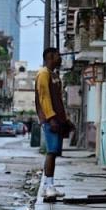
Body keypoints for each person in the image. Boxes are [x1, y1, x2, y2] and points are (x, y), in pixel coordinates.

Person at [35, 47, 74, 198]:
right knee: (51, 152)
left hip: (57, 120)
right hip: (51, 120)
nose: (60, 58)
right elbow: (44, 98)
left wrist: (65, 120)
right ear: (50, 57)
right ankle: (48, 187)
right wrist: (51, 118)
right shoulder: (43, 74)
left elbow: (58, 101)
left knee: (55, 152)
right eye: (58, 56)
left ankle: (48, 185)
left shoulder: (54, 75)